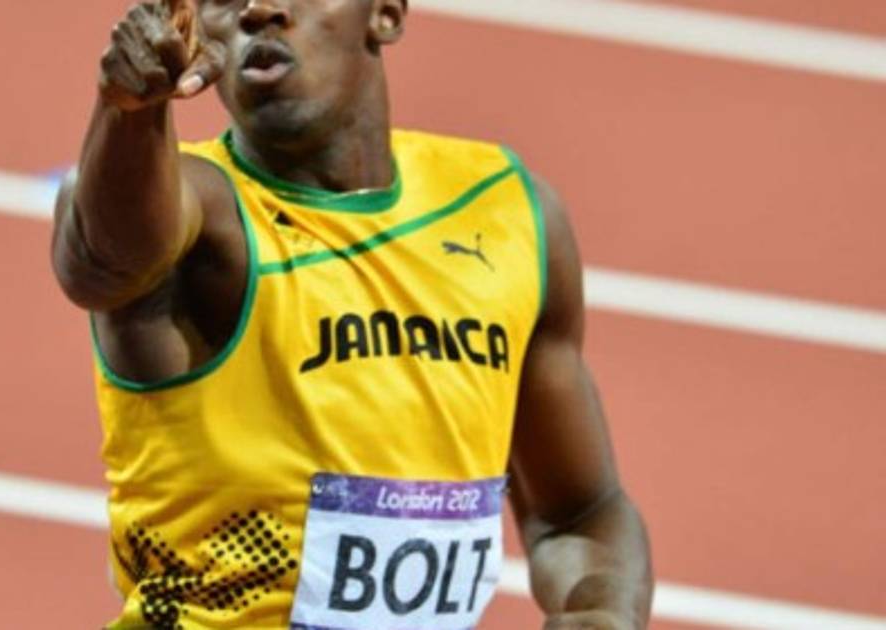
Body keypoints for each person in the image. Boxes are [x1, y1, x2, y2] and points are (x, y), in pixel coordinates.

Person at [51, 1, 653, 628]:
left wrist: (603, 608)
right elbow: (101, 262)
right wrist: (128, 112)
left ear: (386, 12)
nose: (260, 8)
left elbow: (578, 513)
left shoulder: (505, 214)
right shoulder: (202, 217)